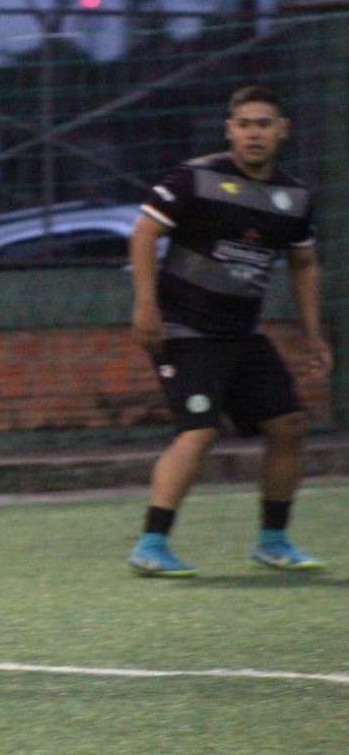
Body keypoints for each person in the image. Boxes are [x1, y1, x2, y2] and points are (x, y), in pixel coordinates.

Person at [126, 85, 333, 578]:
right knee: (199, 431)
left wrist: (312, 333)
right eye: (244, 125)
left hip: (241, 334)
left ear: (281, 130)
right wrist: (145, 304)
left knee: (289, 426)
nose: (254, 133)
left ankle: (273, 541)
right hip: (183, 329)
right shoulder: (195, 179)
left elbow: (304, 264)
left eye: (264, 124)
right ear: (230, 130)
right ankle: (151, 545)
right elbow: (144, 232)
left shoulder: (295, 197)